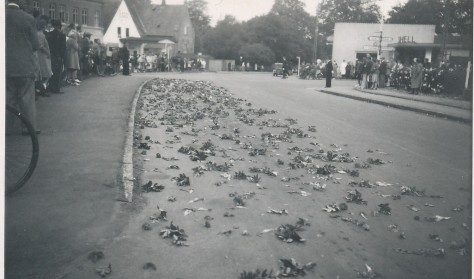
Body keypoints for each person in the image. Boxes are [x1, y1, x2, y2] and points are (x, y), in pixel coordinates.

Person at [6, 0, 40, 133]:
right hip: (25, 66)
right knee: (27, 99)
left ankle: (7, 128)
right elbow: (35, 45)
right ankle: (28, 128)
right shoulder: (28, 18)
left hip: (5, 66)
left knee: (7, 98)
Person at [45, 19, 66, 94]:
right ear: (59, 25)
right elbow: (63, 47)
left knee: (52, 71)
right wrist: (63, 56)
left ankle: (50, 87)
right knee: (58, 72)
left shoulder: (49, 34)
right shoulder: (62, 35)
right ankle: (56, 88)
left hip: (51, 55)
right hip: (58, 56)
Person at [35, 18, 52, 97]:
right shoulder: (41, 34)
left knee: (44, 74)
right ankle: (42, 90)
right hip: (43, 57)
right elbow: (41, 46)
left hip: (40, 56)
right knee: (47, 74)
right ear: (43, 26)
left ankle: (40, 89)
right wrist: (47, 52)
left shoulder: (37, 33)